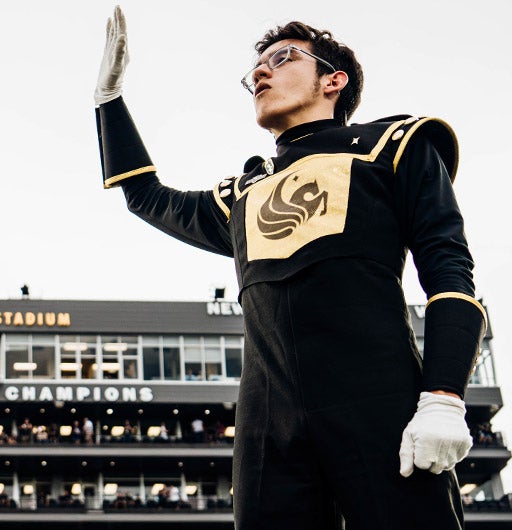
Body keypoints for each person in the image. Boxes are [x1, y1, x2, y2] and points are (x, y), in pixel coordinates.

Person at [94, 7, 486, 530]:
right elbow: (145, 196)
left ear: (333, 80)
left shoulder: (392, 146)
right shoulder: (243, 194)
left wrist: (443, 395)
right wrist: (109, 102)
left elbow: (449, 269)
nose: (260, 73)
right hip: (266, 426)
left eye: (281, 59)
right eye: (254, 69)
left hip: (380, 402)